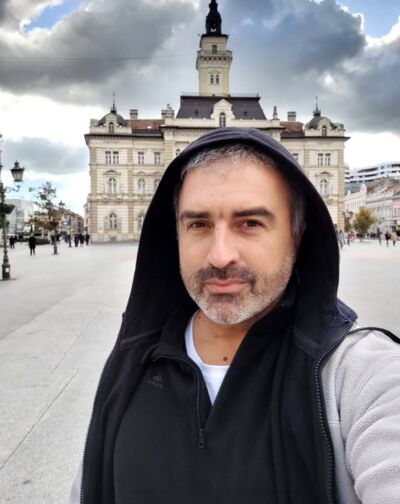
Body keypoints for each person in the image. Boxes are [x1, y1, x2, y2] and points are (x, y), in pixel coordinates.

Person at [71, 129, 400, 504]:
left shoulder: (360, 376)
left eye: (250, 223)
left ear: (297, 235)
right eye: (198, 224)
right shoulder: (132, 363)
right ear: (174, 235)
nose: (220, 255)